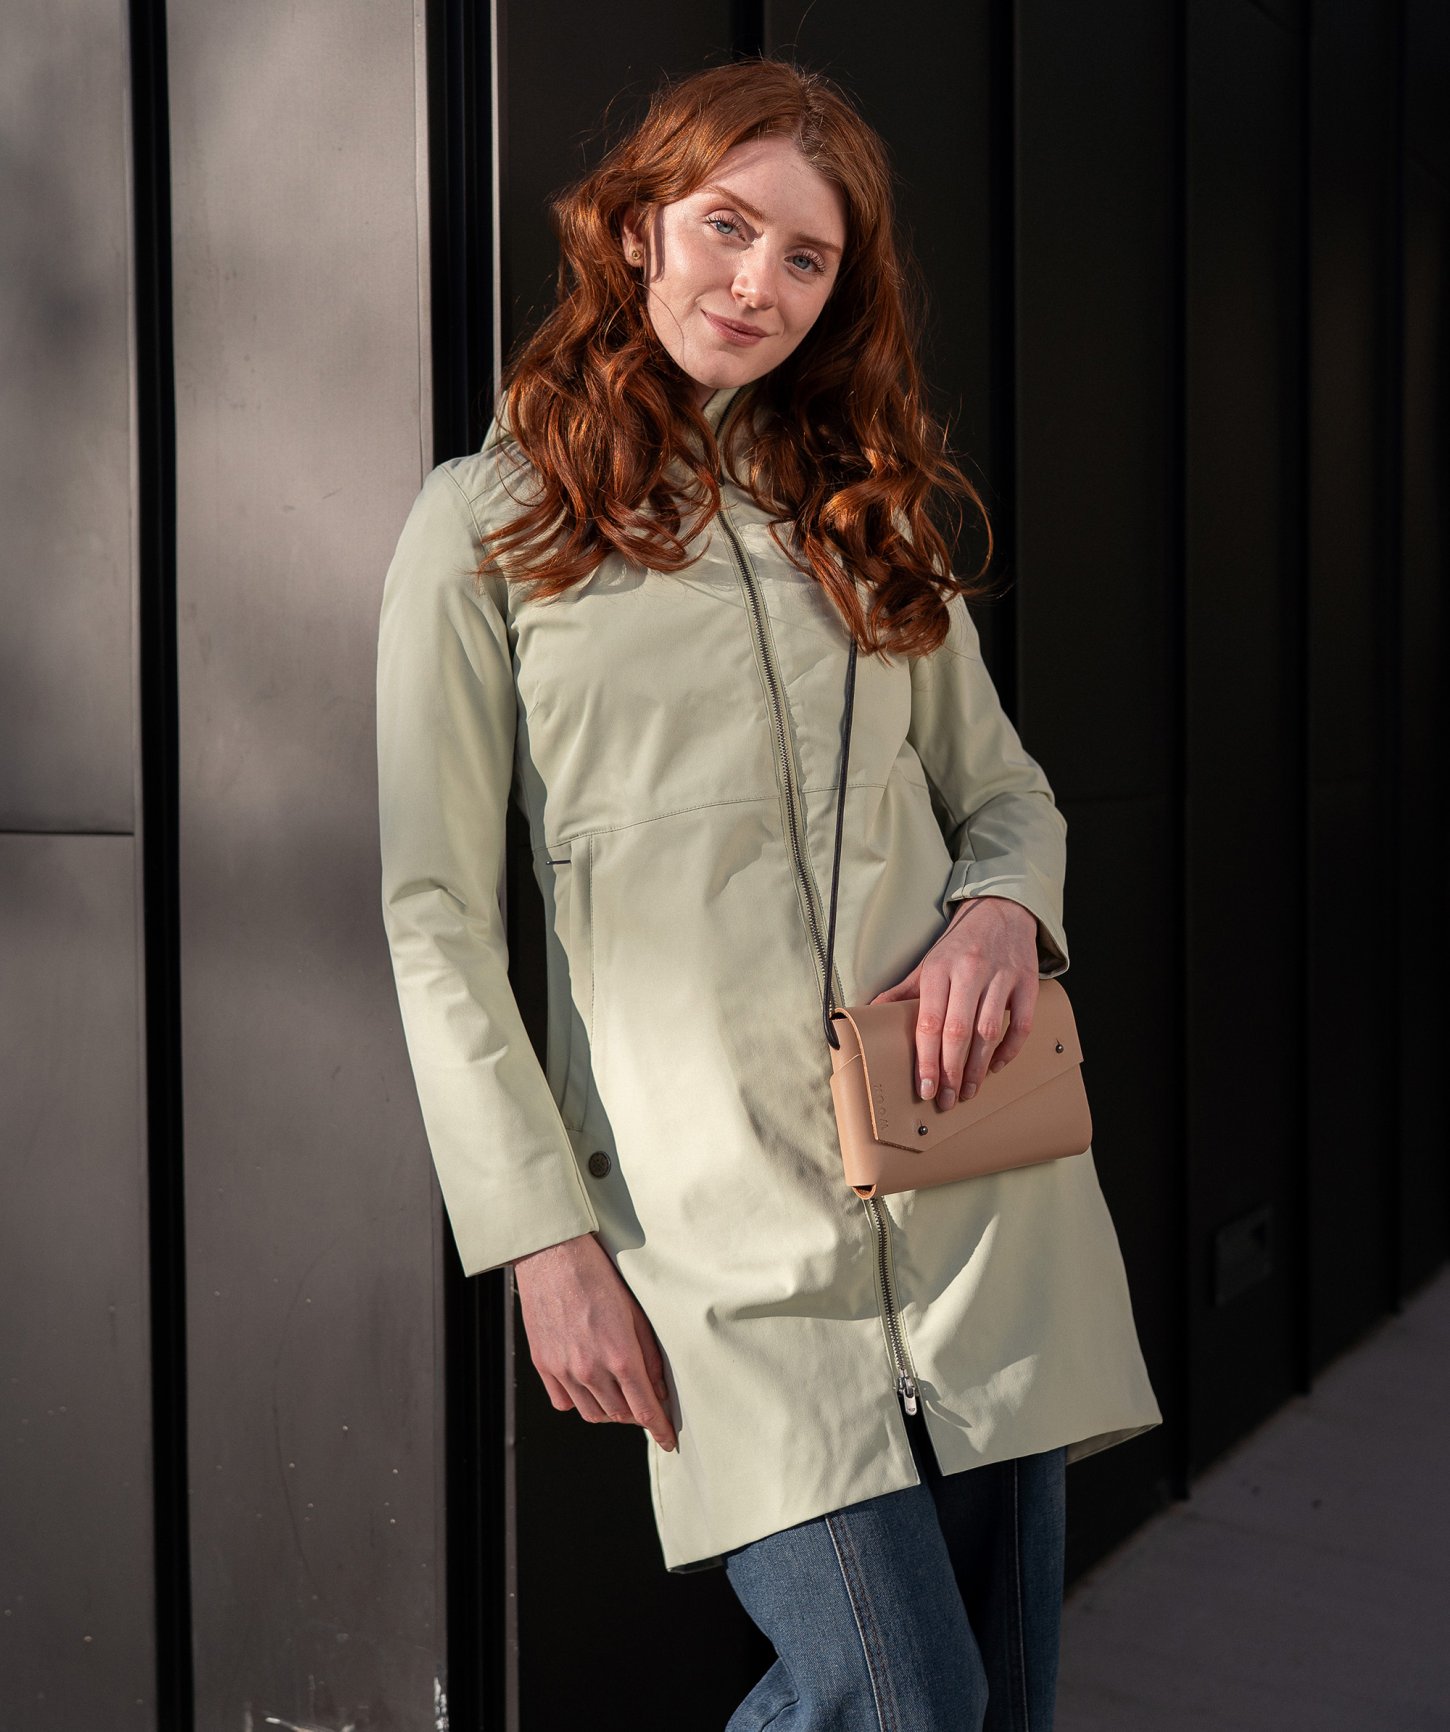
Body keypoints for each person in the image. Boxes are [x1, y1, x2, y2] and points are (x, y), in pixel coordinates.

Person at [376, 54, 1162, 1731]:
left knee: (997, 1702)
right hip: (711, 1227)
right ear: (637, 226)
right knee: (898, 1700)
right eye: (727, 227)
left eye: (806, 256)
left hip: (964, 1173)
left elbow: (1002, 795)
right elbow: (431, 914)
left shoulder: (862, 518)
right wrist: (538, 1241)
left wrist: (1000, 912)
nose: (758, 283)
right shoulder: (486, 525)